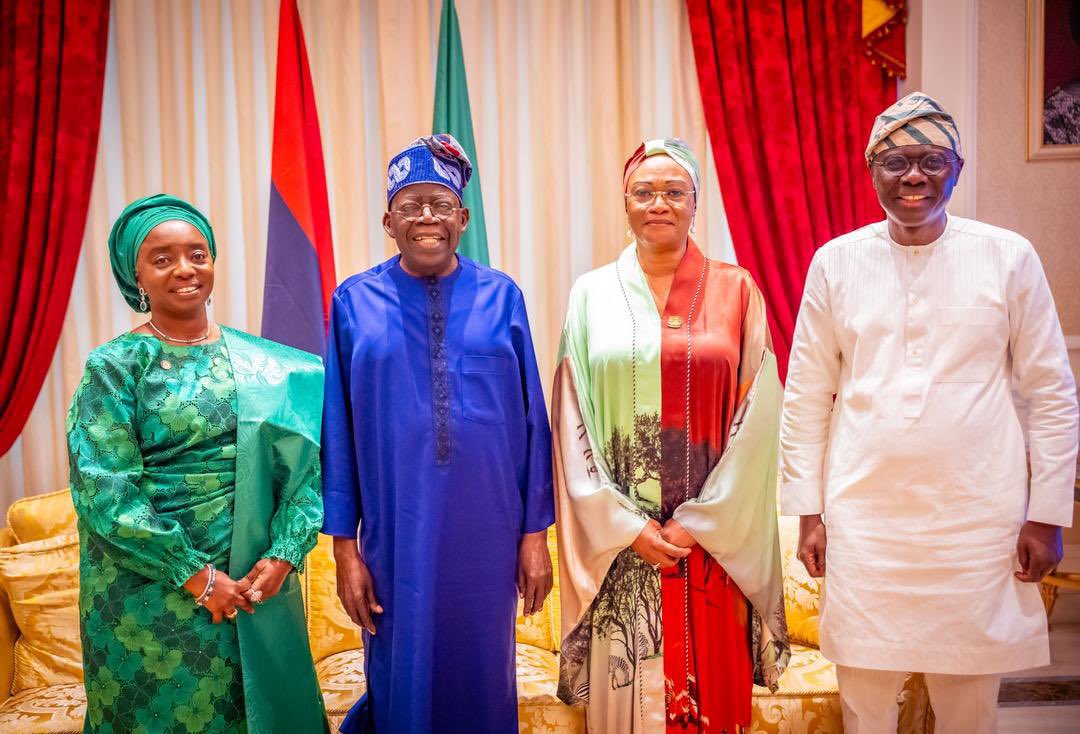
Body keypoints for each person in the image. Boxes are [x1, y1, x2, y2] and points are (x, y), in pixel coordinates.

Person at [780, 92, 1080, 733]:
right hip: (867, 523)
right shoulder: (835, 262)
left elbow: (1052, 392)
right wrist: (807, 511)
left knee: (968, 705)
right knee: (865, 701)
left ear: (956, 169)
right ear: (872, 171)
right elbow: (805, 393)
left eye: (931, 161)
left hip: (975, 523)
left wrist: (1049, 514)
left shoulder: (1008, 256)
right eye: (896, 162)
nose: (913, 176)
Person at [321, 134, 555, 733]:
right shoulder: (353, 303)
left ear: (463, 219)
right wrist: (344, 551)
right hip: (396, 537)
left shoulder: (503, 297)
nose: (427, 217)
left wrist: (535, 537)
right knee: (403, 679)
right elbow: (337, 434)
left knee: (483, 678)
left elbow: (534, 423)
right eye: (411, 205)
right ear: (388, 222)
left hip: (489, 538)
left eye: (441, 204)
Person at [553, 138, 789, 733]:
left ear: (695, 202)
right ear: (625, 203)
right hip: (622, 551)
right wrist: (625, 525)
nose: (659, 203)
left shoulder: (738, 290)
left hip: (711, 547)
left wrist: (701, 520)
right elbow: (571, 421)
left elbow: (759, 418)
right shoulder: (590, 294)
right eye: (644, 191)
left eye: (674, 191)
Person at [67, 194, 327, 732]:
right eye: (162, 259)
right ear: (136, 276)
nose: (185, 269)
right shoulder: (114, 368)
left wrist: (283, 556)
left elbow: (303, 474)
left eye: (197, 254)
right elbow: (104, 493)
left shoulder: (268, 366)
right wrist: (197, 577)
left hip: (253, 585)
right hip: (146, 597)